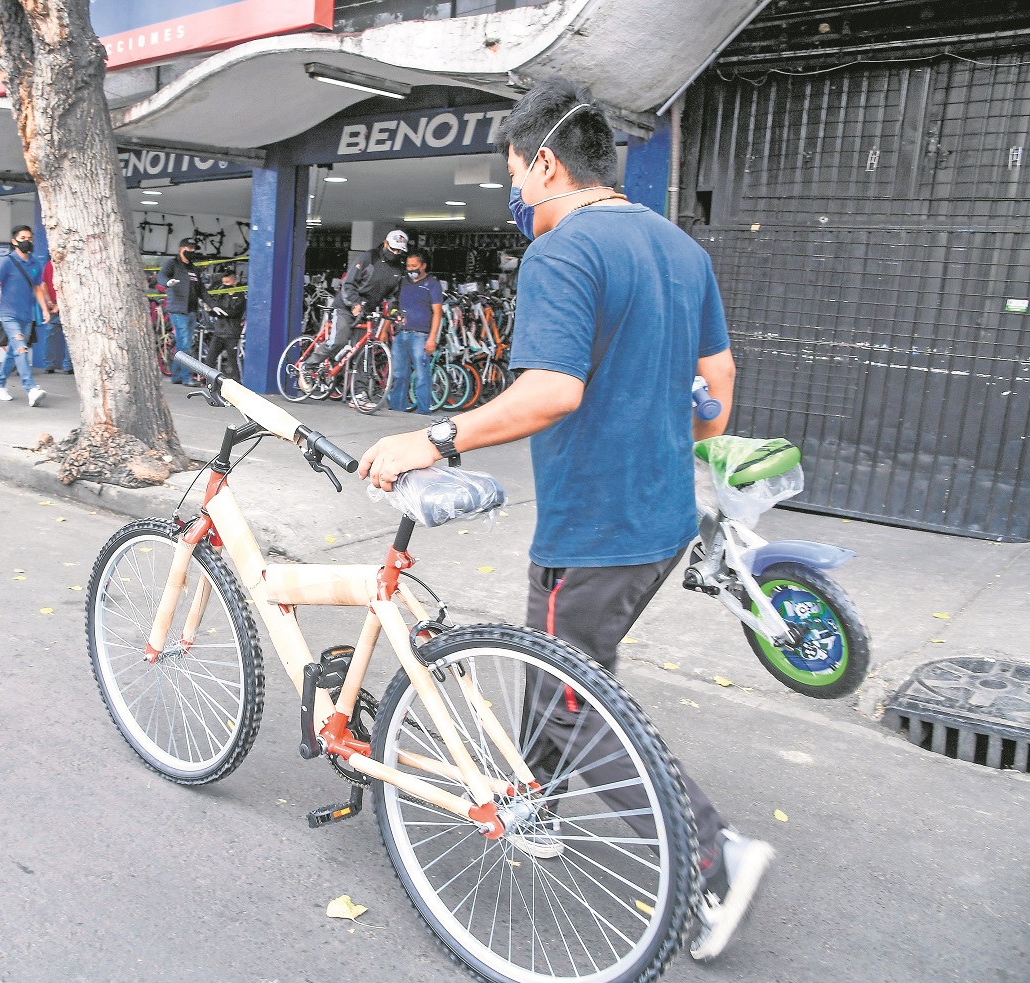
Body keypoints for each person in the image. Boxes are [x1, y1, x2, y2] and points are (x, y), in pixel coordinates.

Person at [358, 77, 771, 965]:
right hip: (661, 512)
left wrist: (434, 436)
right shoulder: (676, 247)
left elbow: (550, 391)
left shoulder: (561, 251)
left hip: (595, 519)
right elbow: (719, 385)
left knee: (570, 696)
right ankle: (530, 800)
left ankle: (714, 854)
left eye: (512, 169)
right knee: (564, 665)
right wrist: (672, 429)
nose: (514, 190)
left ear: (541, 161)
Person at [301, 229, 407, 383]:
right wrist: (354, 303)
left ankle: (359, 393)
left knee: (363, 352)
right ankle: (308, 366)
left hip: (367, 311)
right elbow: (348, 283)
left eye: (399, 251)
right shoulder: (368, 257)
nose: (396, 253)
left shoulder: (398, 269)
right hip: (346, 306)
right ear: (385, 243)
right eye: (393, 249)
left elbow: (392, 296)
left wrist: (395, 312)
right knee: (339, 340)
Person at [0, 225, 54, 406]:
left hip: (26, 315)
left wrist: (44, 309)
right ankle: (31, 388)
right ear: (14, 242)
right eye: (22, 238)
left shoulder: (35, 263)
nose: (27, 241)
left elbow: (37, 288)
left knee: (14, 352)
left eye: (29, 238)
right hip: (8, 315)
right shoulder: (7, 262)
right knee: (21, 349)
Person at [388, 249, 441, 415]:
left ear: (423, 266)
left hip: (421, 335)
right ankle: (397, 409)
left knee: (422, 375)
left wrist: (432, 338)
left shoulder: (432, 284)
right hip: (401, 333)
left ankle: (424, 411)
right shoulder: (402, 282)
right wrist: (384, 329)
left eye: (415, 265)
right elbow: (393, 306)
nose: (411, 269)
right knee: (399, 373)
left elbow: (438, 313)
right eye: (409, 266)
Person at [157, 237, 214, 386]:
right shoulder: (173, 264)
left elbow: (202, 290)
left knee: (183, 344)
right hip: (178, 309)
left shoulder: (194, 268)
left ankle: (176, 376)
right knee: (185, 343)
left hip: (191, 311)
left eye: (194, 249)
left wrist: (213, 305)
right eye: (189, 249)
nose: (192, 251)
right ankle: (187, 377)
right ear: (181, 249)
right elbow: (161, 276)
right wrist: (167, 283)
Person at [205, 270, 246, 382]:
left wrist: (220, 310)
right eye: (224, 282)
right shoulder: (222, 294)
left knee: (233, 361)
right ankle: (207, 381)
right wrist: (210, 310)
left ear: (235, 281)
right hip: (219, 332)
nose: (225, 285)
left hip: (232, 333)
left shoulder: (240, 296)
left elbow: (234, 312)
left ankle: (238, 382)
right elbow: (216, 309)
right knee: (210, 359)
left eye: (228, 282)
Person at [41, 258, 72, 375]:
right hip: (67, 305)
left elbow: (43, 284)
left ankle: (49, 364)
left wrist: (49, 301)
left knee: (51, 334)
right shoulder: (67, 265)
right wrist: (59, 305)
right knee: (70, 335)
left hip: (53, 304)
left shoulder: (48, 264)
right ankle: (68, 365)